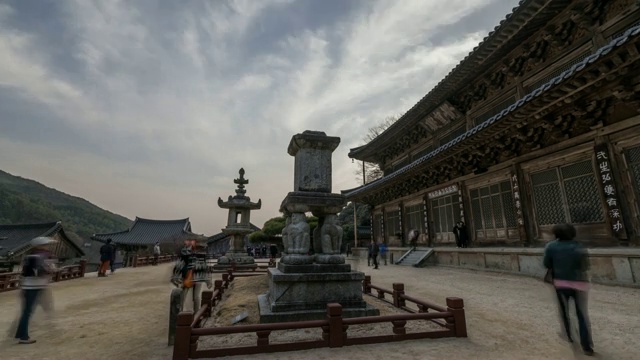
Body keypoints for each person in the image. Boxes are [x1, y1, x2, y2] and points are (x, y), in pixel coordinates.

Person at [543, 223, 594, 356]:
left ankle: (568, 335)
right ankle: (587, 345)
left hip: (561, 283)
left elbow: (546, 263)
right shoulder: (579, 246)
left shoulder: (551, 246)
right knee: (582, 314)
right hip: (579, 283)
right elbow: (585, 266)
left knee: (564, 310)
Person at [14, 237, 58, 344]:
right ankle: (23, 337)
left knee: (26, 311)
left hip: (27, 285)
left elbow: (23, 270)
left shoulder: (29, 256)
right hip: (37, 285)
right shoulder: (44, 256)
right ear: (42, 245)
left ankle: (20, 333)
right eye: (46, 245)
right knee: (28, 311)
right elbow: (49, 269)